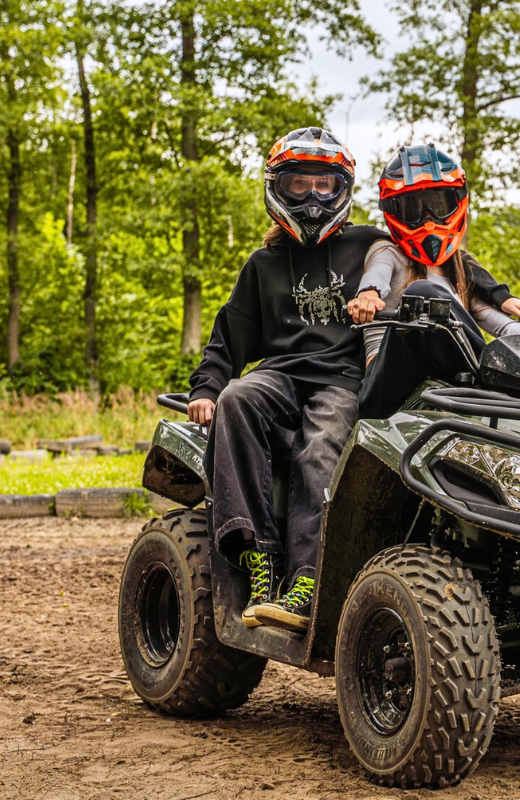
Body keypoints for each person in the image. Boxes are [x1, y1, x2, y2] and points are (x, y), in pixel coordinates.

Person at [185, 127, 388, 634]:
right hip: (279, 376)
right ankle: (259, 558)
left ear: (343, 189)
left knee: (319, 449)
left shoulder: (368, 244)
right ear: (278, 187)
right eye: (300, 185)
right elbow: (227, 338)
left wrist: (494, 297)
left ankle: (306, 579)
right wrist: (207, 388)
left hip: (342, 379)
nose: (314, 198)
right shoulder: (263, 264)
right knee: (237, 398)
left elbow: (431, 260)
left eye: (325, 185)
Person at [349, 144, 520, 418]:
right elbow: (376, 273)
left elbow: (506, 329)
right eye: (413, 209)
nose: (427, 221)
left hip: (440, 390)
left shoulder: (460, 273)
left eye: (438, 207)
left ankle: (511, 397)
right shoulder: (387, 251)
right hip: (384, 388)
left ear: (457, 204)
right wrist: (368, 294)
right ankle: (492, 385)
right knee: (423, 293)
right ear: (393, 211)